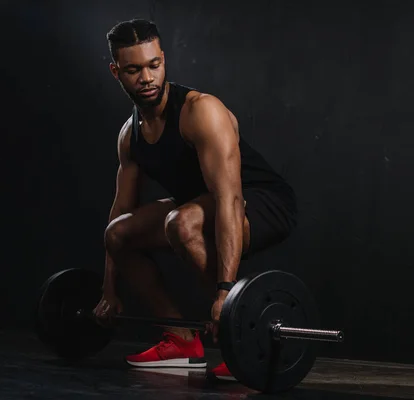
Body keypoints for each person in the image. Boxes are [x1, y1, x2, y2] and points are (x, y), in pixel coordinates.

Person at [93, 19, 297, 381]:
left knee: (181, 222)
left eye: (154, 65)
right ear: (116, 72)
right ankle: (181, 339)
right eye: (133, 69)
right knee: (118, 233)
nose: (147, 78)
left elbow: (230, 199)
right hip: (200, 206)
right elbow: (121, 211)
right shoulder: (130, 136)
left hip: (262, 202)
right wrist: (109, 289)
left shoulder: (200, 111)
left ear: (164, 60)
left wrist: (223, 293)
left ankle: (244, 338)